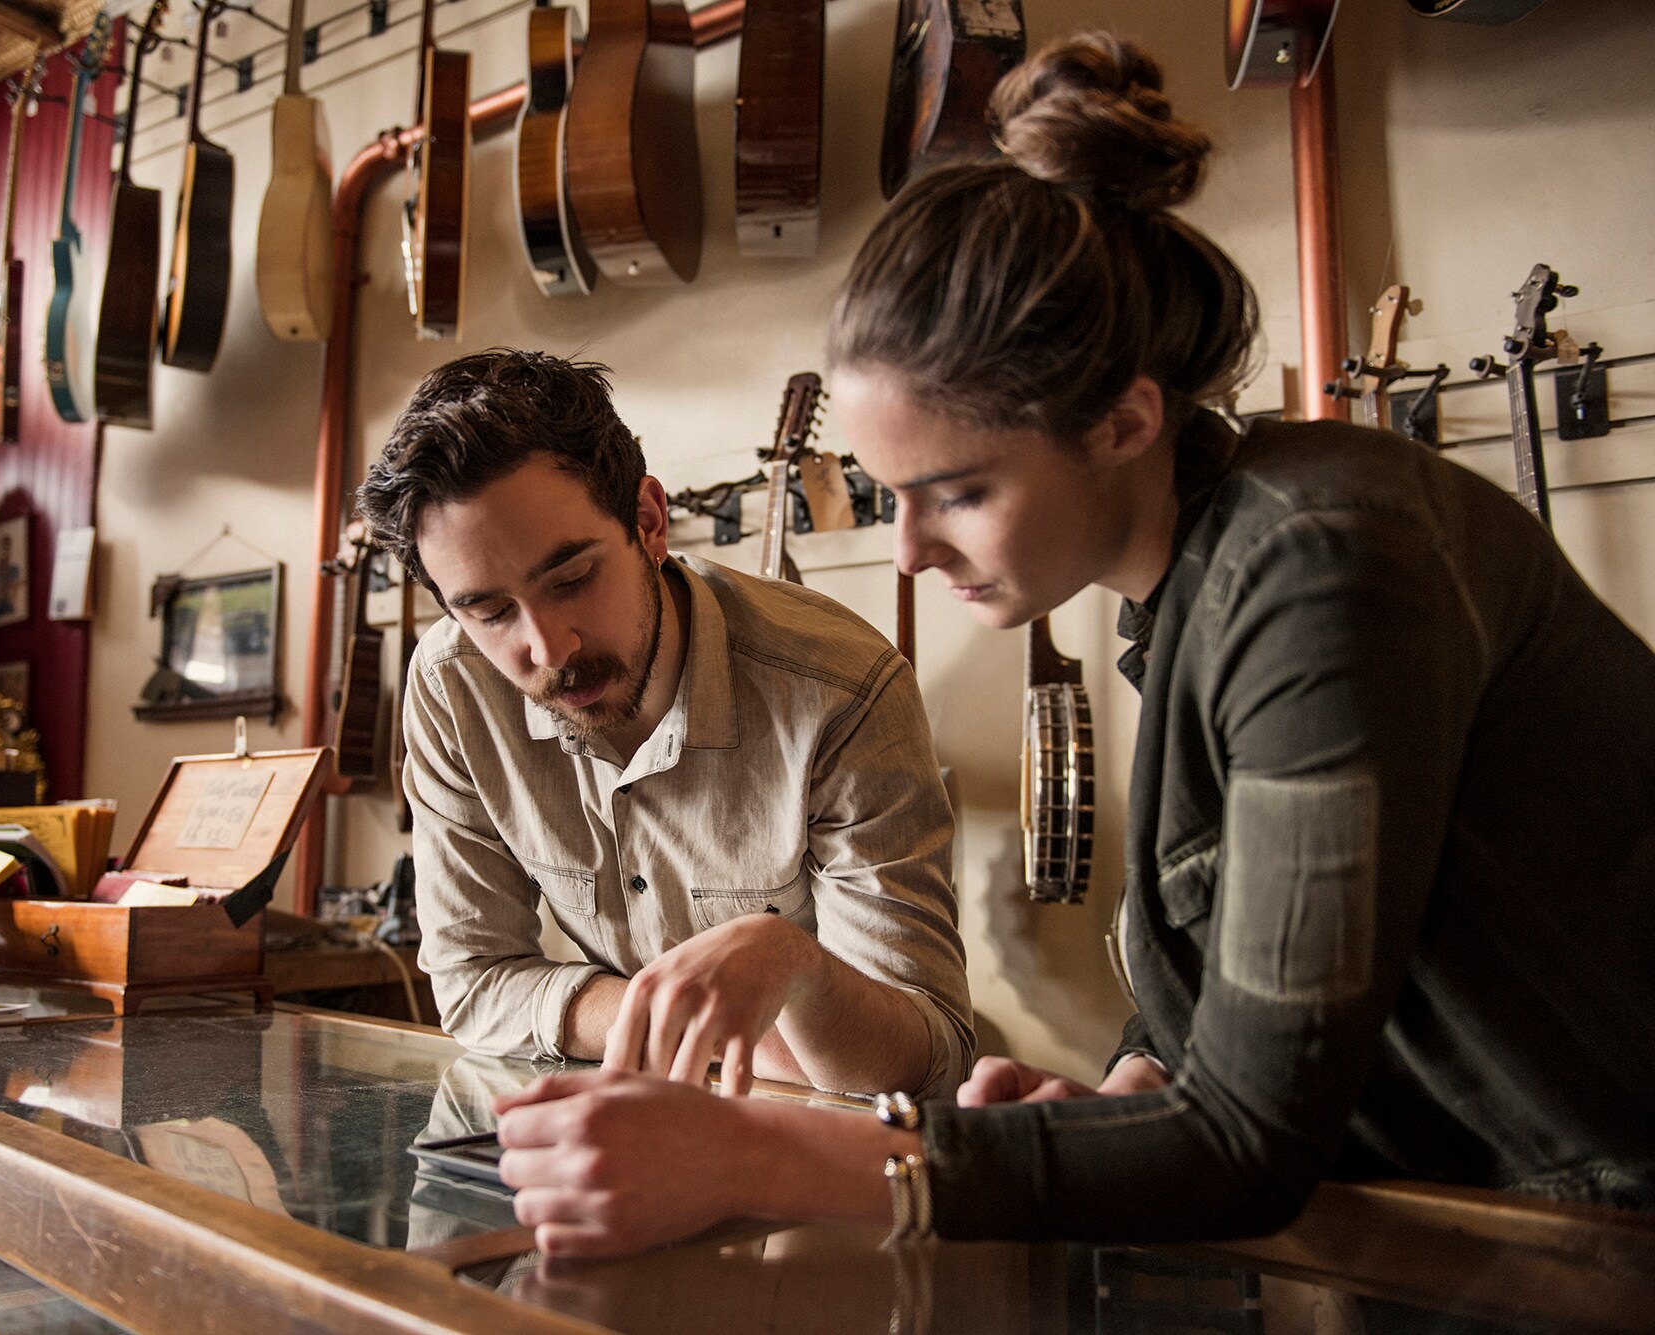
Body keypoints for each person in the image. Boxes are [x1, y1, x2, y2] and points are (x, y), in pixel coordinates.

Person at [489, 32, 1655, 1259]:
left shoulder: (1323, 563)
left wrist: (768, 1154)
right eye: (893, 497)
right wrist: (1123, 1100)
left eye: (958, 492)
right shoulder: (1205, 579)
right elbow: (1237, 1028)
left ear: (1121, 421)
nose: (909, 554)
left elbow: (1249, 1146)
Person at [355, 349, 974, 1103]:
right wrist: (691, 1024)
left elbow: (924, 1055)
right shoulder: (453, 686)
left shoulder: (844, 692)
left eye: (573, 579)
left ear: (649, 522)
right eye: (489, 612)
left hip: (820, 1167)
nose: (549, 649)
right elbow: (473, 982)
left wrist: (793, 964)